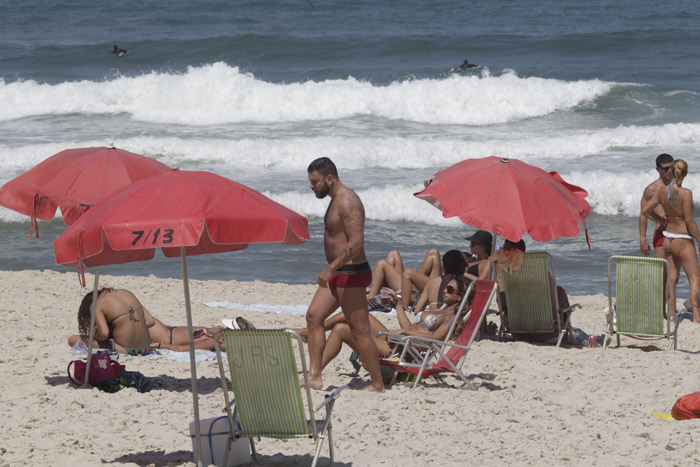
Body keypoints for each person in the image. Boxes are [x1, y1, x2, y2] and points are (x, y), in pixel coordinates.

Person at [306, 157, 385, 392]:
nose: (311, 186)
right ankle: (314, 376)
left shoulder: (348, 201)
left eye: (315, 182)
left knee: (359, 331)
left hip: (350, 272)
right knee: (313, 317)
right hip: (338, 272)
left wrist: (331, 267)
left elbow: (357, 243)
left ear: (330, 178)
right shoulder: (334, 200)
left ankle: (378, 384)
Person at [318, 276, 472, 371]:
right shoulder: (439, 311)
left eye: (450, 289)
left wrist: (405, 333)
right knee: (357, 312)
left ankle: (316, 369)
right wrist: (398, 305)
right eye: (446, 287)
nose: (445, 290)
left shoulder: (451, 318)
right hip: (397, 341)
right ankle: (315, 330)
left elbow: (434, 340)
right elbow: (409, 327)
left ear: (460, 297)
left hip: (402, 352)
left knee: (340, 329)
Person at [67, 287, 230, 353]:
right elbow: (149, 321)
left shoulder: (214, 337)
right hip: (160, 336)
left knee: (73, 339)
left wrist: (161, 346)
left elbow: (184, 349)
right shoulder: (215, 332)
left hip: (151, 341)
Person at [642, 159, 700, 322]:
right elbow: (689, 221)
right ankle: (696, 317)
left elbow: (645, 211)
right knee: (695, 279)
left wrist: (662, 221)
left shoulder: (661, 191)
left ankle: (672, 315)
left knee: (671, 279)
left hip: (668, 239)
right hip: (683, 239)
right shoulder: (686, 193)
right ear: (685, 173)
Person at [497, 239, 573, 333]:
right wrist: (559, 318)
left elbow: (502, 305)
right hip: (548, 328)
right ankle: (562, 325)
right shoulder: (539, 269)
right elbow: (553, 297)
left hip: (516, 328)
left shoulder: (503, 271)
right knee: (559, 291)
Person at [367, 248, 442, 309]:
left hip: (419, 292)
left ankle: (373, 296)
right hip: (417, 288)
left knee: (381, 263)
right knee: (394, 254)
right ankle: (380, 291)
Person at [640, 154, 674, 258]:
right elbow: (643, 214)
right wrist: (643, 240)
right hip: (662, 233)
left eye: (671, 168)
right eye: (665, 168)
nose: (669, 171)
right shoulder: (651, 189)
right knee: (661, 272)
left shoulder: (677, 185)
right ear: (658, 169)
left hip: (678, 233)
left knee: (675, 274)